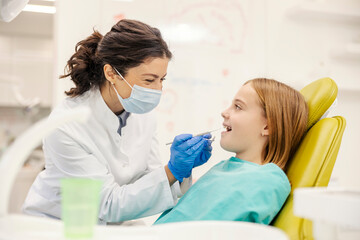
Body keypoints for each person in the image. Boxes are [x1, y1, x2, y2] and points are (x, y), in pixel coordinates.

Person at [22, 19, 213, 224]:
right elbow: (107, 204)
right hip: (58, 226)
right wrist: (171, 171)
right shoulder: (67, 125)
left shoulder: (141, 113)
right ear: (111, 73)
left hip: (111, 225)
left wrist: (180, 172)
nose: (157, 89)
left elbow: (147, 178)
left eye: (162, 79)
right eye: (149, 80)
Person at [154, 78, 309, 225]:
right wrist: (181, 172)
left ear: (267, 127)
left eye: (238, 107)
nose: (224, 112)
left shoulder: (268, 179)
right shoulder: (225, 167)